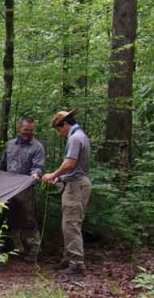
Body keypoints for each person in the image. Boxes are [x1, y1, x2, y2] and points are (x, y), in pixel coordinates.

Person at [41, 110, 91, 277]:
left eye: (58, 129)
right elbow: (73, 168)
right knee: (68, 225)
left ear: (65, 124)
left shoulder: (75, 138)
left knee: (71, 225)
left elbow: (70, 163)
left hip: (76, 187)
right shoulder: (79, 135)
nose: (59, 133)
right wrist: (60, 178)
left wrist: (53, 175)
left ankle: (77, 264)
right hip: (73, 184)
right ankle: (68, 259)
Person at [0, 117, 45, 263]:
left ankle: (34, 251)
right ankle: (16, 249)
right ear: (20, 128)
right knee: (10, 218)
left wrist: (36, 173)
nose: (28, 133)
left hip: (26, 188)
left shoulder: (37, 147)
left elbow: (39, 166)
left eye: (31, 131)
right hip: (9, 188)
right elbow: (3, 165)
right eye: (25, 130)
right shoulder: (10, 145)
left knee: (28, 219)